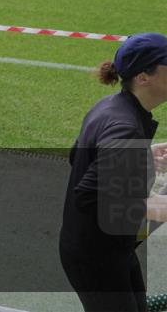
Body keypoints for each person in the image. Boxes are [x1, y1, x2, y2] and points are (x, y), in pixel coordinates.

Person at [59, 32, 167, 312]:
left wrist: (143, 155)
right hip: (97, 258)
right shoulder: (126, 126)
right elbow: (89, 196)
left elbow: (79, 156)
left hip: (107, 250)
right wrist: (157, 207)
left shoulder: (110, 107)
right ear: (144, 77)